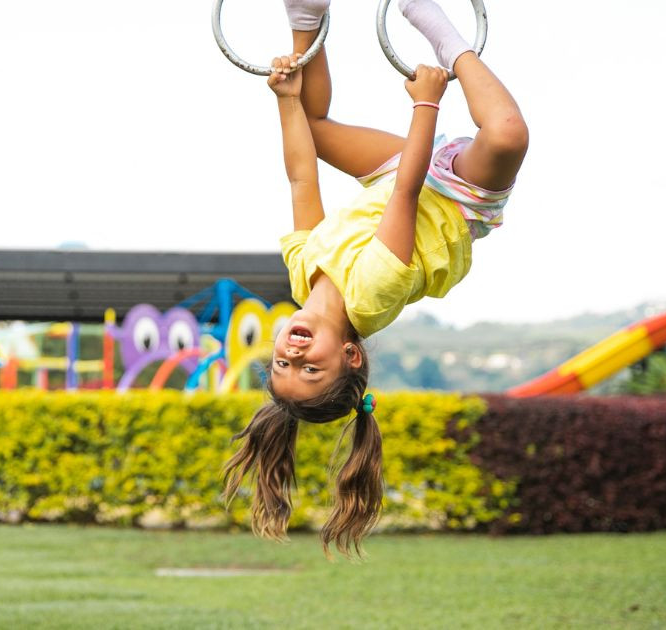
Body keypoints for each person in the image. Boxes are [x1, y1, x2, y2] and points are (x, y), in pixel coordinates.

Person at [223, 0, 528, 557]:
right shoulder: (371, 296)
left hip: (394, 176)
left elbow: (299, 179)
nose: (291, 352)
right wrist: (427, 103)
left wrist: (286, 101)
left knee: (313, 127)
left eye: (283, 364)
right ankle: (443, 33)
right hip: (455, 200)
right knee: (507, 134)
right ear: (351, 355)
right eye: (310, 367)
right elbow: (410, 195)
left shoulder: (301, 274)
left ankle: (305, 17)